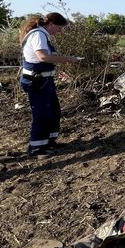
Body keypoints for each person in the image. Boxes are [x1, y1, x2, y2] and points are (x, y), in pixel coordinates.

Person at [19, 12, 80, 158]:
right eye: (58, 28)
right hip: (37, 81)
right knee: (42, 113)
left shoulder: (43, 35)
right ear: (51, 24)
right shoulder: (38, 34)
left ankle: (49, 142)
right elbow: (43, 57)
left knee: (53, 111)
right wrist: (68, 59)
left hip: (45, 80)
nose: (59, 32)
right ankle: (37, 148)